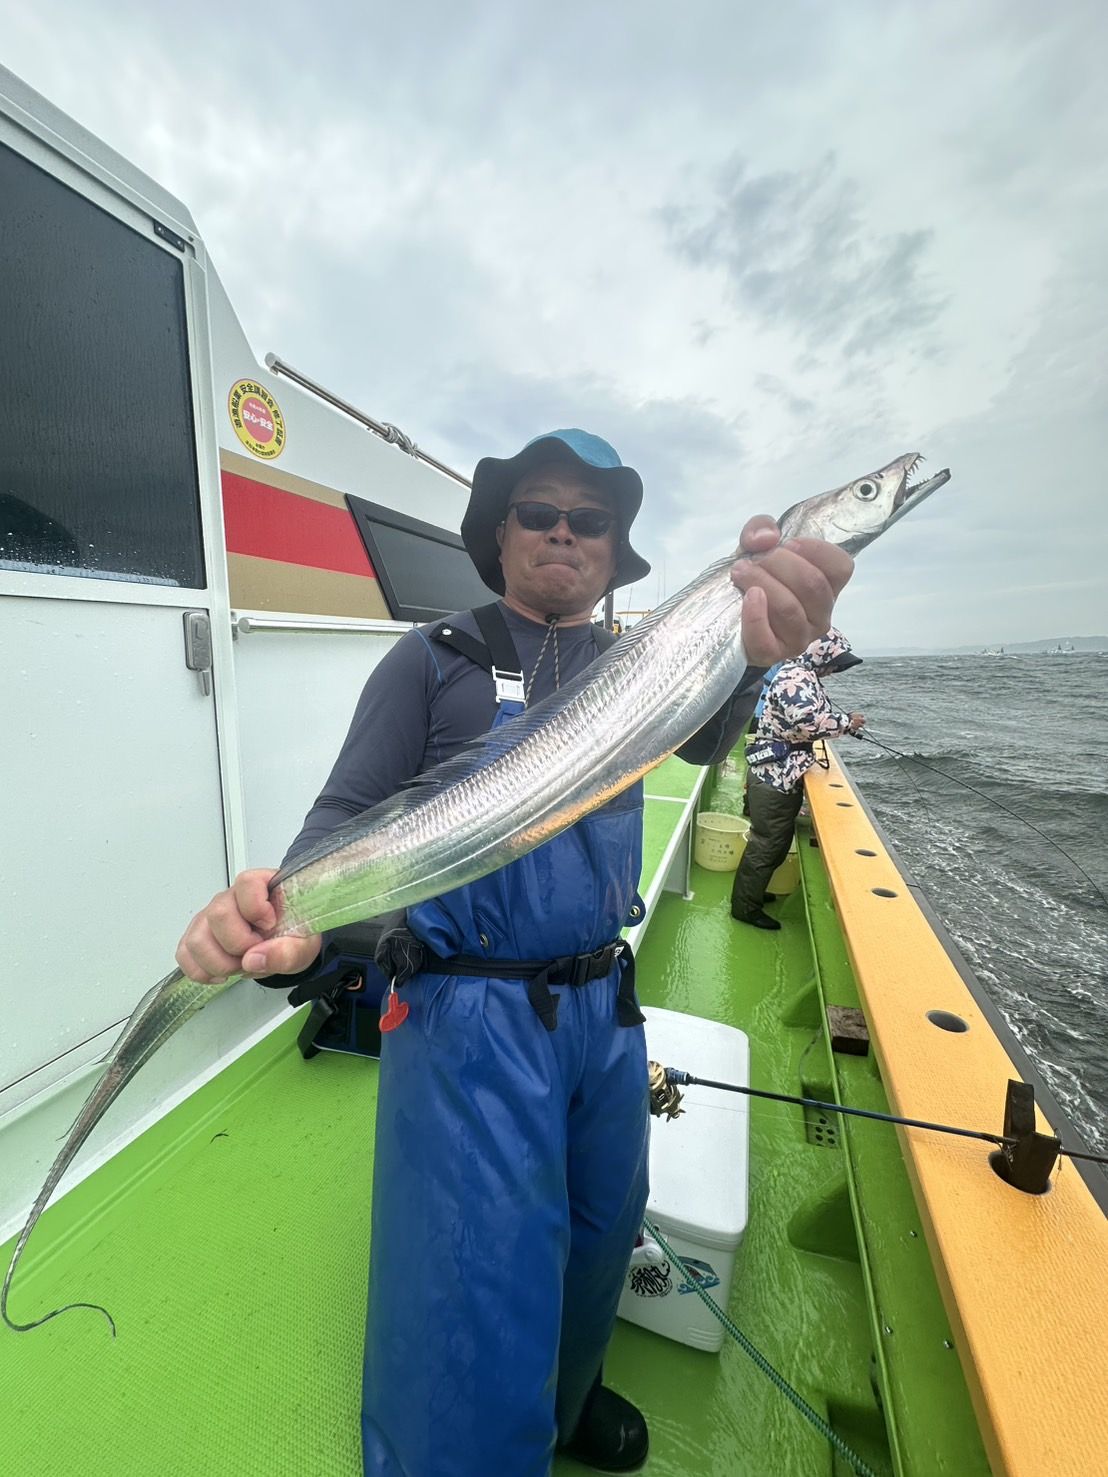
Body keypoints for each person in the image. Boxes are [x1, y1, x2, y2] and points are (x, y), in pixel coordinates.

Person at [175, 430, 853, 1477]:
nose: (563, 533)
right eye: (539, 512)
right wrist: (297, 917)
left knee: (598, 1232)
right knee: (475, 1273)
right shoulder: (431, 661)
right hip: (466, 1018)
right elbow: (344, 815)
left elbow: (707, 739)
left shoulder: (645, 665)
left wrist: (754, 656)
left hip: (602, 1007)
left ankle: (567, 1398)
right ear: (500, 535)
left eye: (591, 520)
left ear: (614, 550)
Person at [731, 627, 864, 931]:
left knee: (774, 845)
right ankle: (744, 908)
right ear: (820, 655)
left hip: (780, 775)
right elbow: (806, 723)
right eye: (833, 662)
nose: (833, 669)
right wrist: (847, 722)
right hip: (774, 779)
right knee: (767, 845)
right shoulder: (795, 677)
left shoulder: (802, 675)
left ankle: (751, 894)